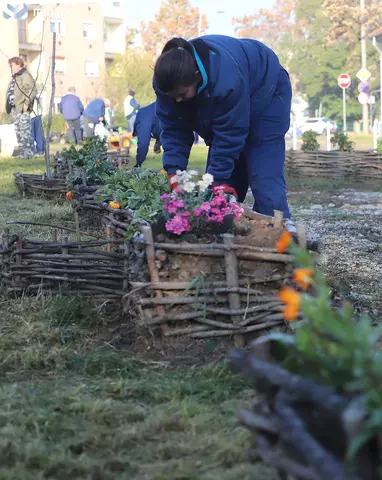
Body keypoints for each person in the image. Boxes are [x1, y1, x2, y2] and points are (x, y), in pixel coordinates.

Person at [153, 36, 295, 232]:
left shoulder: (225, 80)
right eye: (172, 96)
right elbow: (173, 129)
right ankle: (225, 234)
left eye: (183, 94)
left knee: (263, 173)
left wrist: (217, 180)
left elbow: (229, 135)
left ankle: (278, 238)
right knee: (223, 185)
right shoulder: (167, 82)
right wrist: (174, 173)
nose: (177, 100)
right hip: (236, 87)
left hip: (266, 91)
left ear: (196, 76)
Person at [6, 57, 37, 158]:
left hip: (22, 108)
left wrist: (26, 104)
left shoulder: (25, 75)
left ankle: (28, 153)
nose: (10, 67)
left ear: (18, 64)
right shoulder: (15, 77)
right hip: (15, 108)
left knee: (25, 131)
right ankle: (23, 152)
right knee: (19, 131)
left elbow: (32, 90)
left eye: (12, 65)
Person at [132, 102, 161, 167]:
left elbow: (143, 143)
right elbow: (164, 129)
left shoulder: (143, 117)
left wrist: (138, 163)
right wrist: (158, 142)